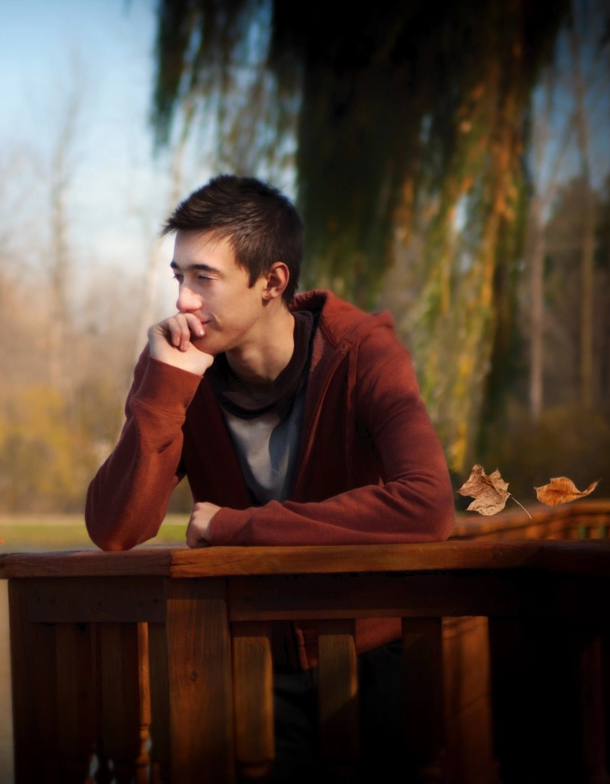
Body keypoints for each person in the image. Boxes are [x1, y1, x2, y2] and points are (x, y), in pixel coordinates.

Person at [84, 175, 455, 778]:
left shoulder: (362, 353)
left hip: (370, 656)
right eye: (179, 277)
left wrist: (239, 527)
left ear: (272, 282)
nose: (182, 300)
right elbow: (115, 529)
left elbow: (428, 507)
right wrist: (164, 389)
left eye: (204, 277)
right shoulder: (181, 370)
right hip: (245, 662)